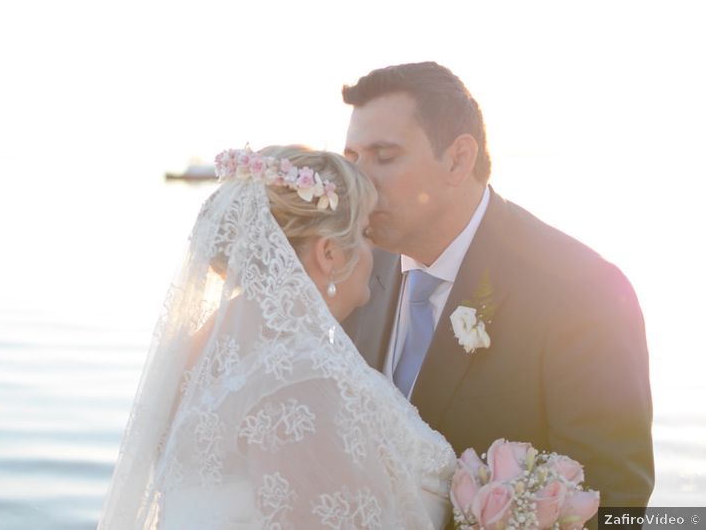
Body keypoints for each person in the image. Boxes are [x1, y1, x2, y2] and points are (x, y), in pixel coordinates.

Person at [340, 62, 655, 525]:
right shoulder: (354, 269)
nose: (359, 182)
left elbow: (614, 498)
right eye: (352, 160)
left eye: (384, 157)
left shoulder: (582, 290)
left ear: (458, 159)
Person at [97, 146, 457, 529]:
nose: (374, 251)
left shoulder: (195, 349)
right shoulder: (299, 375)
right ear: (329, 253)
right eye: (365, 233)